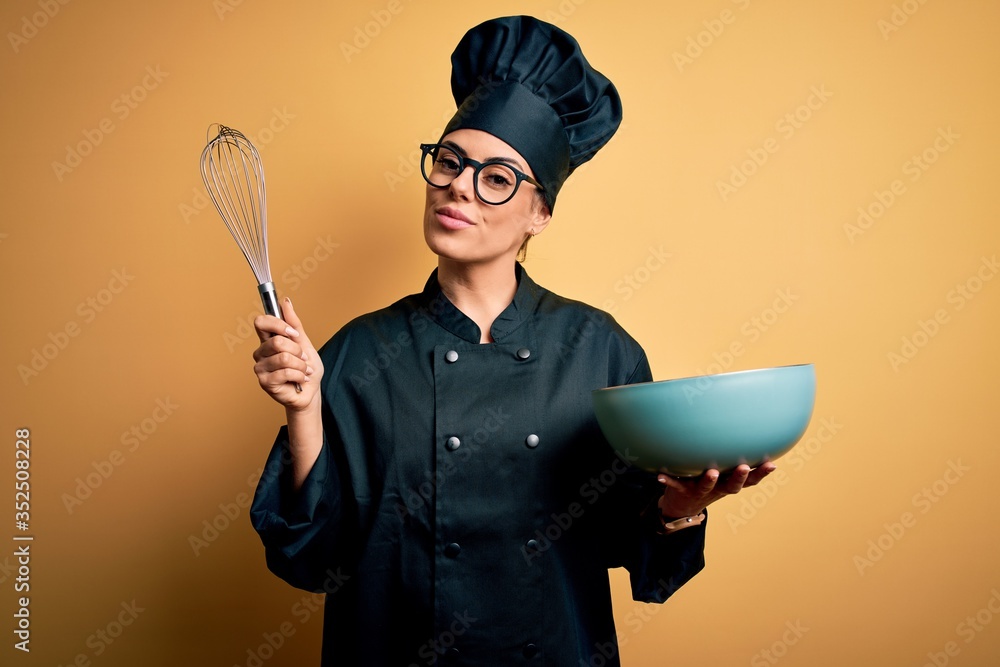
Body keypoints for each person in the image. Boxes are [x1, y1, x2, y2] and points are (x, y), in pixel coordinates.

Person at [249, 15, 775, 666]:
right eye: (448, 162)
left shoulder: (598, 349)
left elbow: (636, 545)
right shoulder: (359, 353)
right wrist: (304, 409)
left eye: (495, 177)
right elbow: (314, 560)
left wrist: (682, 506)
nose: (458, 188)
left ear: (540, 212)